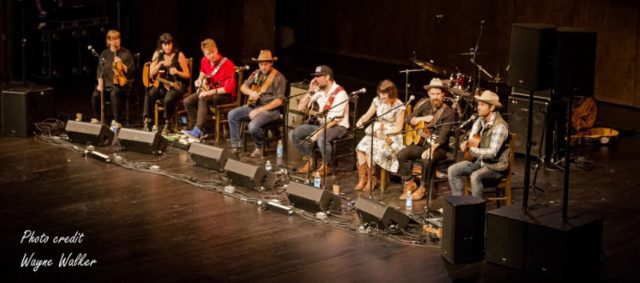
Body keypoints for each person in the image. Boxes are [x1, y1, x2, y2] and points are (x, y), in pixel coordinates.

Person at [396, 78, 455, 200]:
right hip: (423, 143)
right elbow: (409, 119)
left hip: (439, 148)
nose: (435, 97)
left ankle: (423, 187)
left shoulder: (448, 112)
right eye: (433, 94)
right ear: (429, 94)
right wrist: (421, 119)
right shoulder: (425, 105)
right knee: (402, 154)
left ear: (443, 94)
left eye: (438, 94)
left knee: (427, 160)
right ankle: (410, 182)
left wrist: (431, 149)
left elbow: (443, 137)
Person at [448, 90, 510, 197]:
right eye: (478, 104)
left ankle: (475, 210)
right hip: (480, 162)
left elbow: (492, 152)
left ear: (492, 108)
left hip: (495, 167)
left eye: (482, 105)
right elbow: (473, 136)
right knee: (452, 170)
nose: (478, 107)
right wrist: (466, 143)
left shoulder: (500, 126)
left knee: (475, 176)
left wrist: (471, 150)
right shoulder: (480, 120)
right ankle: (457, 203)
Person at [290, 65, 349, 175]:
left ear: (327, 77)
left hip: (338, 126)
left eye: (318, 76)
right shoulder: (318, 91)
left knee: (322, 137)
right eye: (315, 76)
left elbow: (335, 120)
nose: (315, 79)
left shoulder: (340, 93)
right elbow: (300, 108)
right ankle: (312, 160)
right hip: (323, 124)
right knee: (294, 133)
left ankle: (327, 165)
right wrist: (310, 91)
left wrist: (317, 133)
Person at [228, 50, 287, 158]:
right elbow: (243, 87)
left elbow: (279, 101)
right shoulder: (256, 73)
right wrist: (251, 92)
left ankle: (260, 147)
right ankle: (236, 145)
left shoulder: (279, 78)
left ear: (271, 63)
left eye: (265, 64)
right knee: (232, 114)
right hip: (255, 106)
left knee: (253, 126)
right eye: (261, 64)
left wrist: (259, 110)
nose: (263, 67)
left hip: (271, 110)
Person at [353, 80, 405, 192]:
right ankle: (363, 179)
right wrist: (361, 120)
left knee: (369, 149)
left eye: (385, 95)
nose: (382, 97)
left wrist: (384, 133)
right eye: (380, 94)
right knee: (360, 148)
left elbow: (399, 128)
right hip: (377, 132)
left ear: (391, 94)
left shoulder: (399, 106)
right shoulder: (377, 101)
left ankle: (372, 180)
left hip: (391, 135)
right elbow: (368, 115)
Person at [182, 38, 237, 139]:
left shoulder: (227, 64)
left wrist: (209, 92)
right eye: (208, 54)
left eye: (213, 52)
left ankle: (198, 130)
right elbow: (202, 75)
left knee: (203, 98)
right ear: (204, 54)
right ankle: (201, 130)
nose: (211, 56)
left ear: (216, 49)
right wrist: (198, 81)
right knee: (187, 101)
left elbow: (228, 89)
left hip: (225, 95)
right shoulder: (204, 61)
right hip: (211, 93)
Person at [142, 33, 191, 135]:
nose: (167, 47)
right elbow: (150, 73)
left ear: (172, 44)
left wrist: (177, 72)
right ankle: (147, 121)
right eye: (165, 45)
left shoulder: (179, 55)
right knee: (150, 94)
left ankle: (167, 123)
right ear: (161, 45)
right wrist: (160, 64)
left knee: (169, 98)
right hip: (162, 85)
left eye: (169, 44)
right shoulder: (157, 55)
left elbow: (187, 75)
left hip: (177, 85)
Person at [91, 29, 135, 129]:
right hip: (107, 84)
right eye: (113, 39)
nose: (116, 41)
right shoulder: (104, 54)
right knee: (96, 94)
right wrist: (100, 84)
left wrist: (122, 64)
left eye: (118, 39)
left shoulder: (125, 53)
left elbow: (132, 71)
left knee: (114, 93)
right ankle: (98, 118)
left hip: (121, 85)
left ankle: (117, 120)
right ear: (109, 41)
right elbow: (99, 71)